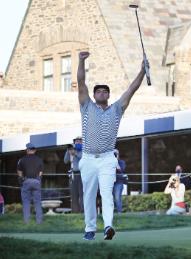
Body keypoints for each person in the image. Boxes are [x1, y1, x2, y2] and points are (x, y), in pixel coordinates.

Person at [77, 51, 147, 240]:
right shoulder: (86, 106)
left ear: (108, 94)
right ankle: (90, 229)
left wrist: (142, 71)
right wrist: (81, 61)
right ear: (93, 95)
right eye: (98, 91)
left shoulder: (116, 109)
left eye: (105, 91)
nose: (102, 93)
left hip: (108, 158)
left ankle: (108, 226)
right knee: (89, 195)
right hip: (89, 158)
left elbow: (131, 89)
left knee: (107, 193)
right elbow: (81, 83)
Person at [17, 143, 44, 224]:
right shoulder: (39, 159)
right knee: (37, 202)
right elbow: (40, 173)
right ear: (34, 150)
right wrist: (38, 180)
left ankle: (26, 222)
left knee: (26, 202)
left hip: (26, 181)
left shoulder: (21, 160)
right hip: (36, 181)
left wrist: (22, 179)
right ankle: (39, 222)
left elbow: (19, 172)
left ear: (27, 150)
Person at [64, 136, 84, 213]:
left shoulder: (84, 150)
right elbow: (65, 161)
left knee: (82, 194)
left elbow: (82, 157)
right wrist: (68, 151)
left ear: (82, 142)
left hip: (82, 174)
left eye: (79, 141)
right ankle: (75, 212)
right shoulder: (71, 150)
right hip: (73, 174)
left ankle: (83, 211)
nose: (78, 142)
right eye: (76, 141)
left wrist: (75, 153)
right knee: (74, 194)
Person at [113, 149, 127, 214]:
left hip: (119, 182)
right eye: (113, 154)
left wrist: (116, 161)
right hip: (110, 182)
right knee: (111, 199)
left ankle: (119, 212)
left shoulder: (122, 162)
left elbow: (121, 170)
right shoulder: (109, 162)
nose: (115, 155)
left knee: (117, 198)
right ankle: (111, 213)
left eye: (116, 154)